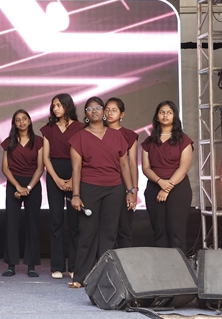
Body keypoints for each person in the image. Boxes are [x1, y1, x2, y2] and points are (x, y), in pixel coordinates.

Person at [68, 96, 134, 288]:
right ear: (86, 114)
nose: (94, 111)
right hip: (89, 188)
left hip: (114, 189)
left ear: (104, 112)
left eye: (98, 107)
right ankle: (80, 277)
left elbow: (124, 165)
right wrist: (76, 195)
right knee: (87, 233)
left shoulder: (117, 136)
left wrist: (130, 190)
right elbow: (76, 169)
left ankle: (105, 277)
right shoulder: (79, 138)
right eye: (90, 109)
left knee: (109, 234)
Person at [40, 93, 83, 279]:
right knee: (56, 220)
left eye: (58, 105)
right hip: (54, 174)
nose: (55, 108)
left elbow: (82, 156)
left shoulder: (80, 128)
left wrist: (73, 180)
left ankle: (74, 266)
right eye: (53, 106)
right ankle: (57, 266)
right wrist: (56, 179)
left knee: (75, 222)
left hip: (75, 172)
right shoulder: (48, 129)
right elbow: (45, 158)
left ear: (67, 106)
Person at [141, 100, 193, 253]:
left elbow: (184, 168)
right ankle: (162, 265)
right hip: (154, 187)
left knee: (176, 230)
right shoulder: (149, 141)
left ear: (174, 116)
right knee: (159, 231)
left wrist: (166, 188)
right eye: (162, 112)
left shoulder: (183, 140)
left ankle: (179, 265)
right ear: (157, 116)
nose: (165, 115)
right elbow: (146, 168)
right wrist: (159, 182)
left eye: (169, 112)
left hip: (178, 188)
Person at [1, 109, 45, 278]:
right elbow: (5, 168)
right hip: (14, 184)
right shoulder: (8, 142)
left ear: (29, 121)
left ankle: (31, 265)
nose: (21, 122)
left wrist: (28, 188)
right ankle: (11, 265)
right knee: (11, 224)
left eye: (24, 119)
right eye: (18, 120)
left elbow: (40, 167)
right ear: (14, 123)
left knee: (32, 224)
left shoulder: (38, 141)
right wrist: (18, 187)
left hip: (32, 184)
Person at [105, 97, 139, 248]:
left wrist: (134, 190)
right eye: (107, 109)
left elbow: (132, 164)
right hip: (103, 180)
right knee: (106, 227)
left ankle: (125, 261)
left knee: (124, 227)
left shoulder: (129, 135)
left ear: (122, 114)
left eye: (114, 110)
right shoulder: (98, 132)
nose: (109, 113)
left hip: (124, 182)